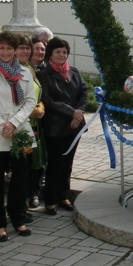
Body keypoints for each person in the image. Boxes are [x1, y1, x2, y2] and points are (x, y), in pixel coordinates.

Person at [0, 31, 36, 241]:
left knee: (20, 180)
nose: (5, 52)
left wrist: (14, 123)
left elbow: (30, 101)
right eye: (1, 48)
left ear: (15, 50)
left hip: (19, 132)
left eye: (9, 48)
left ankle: (18, 219)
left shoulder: (25, 73)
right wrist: (2, 125)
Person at [39, 37, 88, 215]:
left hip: (75, 126)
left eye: (64, 52)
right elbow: (48, 100)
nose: (62, 55)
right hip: (55, 126)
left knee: (67, 164)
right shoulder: (44, 73)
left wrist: (78, 113)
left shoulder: (73, 71)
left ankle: (64, 196)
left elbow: (84, 93)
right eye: (58, 51)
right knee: (55, 164)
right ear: (50, 54)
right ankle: (50, 200)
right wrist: (71, 113)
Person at [16, 34, 46, 210]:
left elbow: (36, 93)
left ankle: (29, 195)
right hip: (21, 125)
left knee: (36, 162)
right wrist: (31, 111)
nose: (25, 51)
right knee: (23, 166)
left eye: (27, 48)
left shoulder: (29, 68)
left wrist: (40, 106)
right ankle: (20, 203)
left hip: (34, 125)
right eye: (21, 48)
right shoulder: (12, 70)